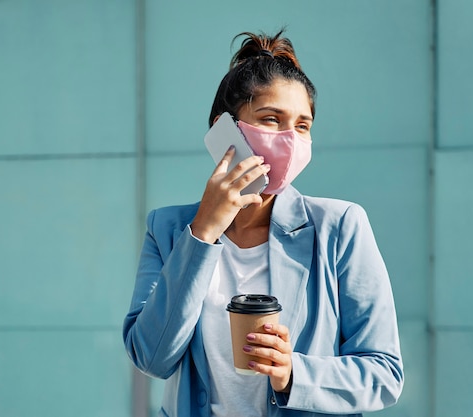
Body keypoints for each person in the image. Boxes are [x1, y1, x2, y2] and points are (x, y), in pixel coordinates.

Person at [123, 30, 403, 417]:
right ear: (224, 129)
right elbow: (152, 358)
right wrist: (202, 233)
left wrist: (294, 373)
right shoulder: (168, 229)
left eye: (302, 126)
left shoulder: (340, 227)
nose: (290, 139)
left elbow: (384, 374)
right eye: (271, 119)